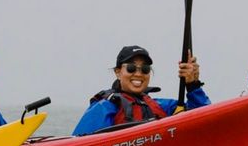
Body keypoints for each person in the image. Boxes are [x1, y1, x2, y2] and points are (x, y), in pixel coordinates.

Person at [72, 45, 210, 136]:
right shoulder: (105, 106)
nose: (138, 74)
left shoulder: (163, 106)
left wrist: (192, 84)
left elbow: (204, 119)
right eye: (131, 68)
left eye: (145, 69)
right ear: (118, 72)